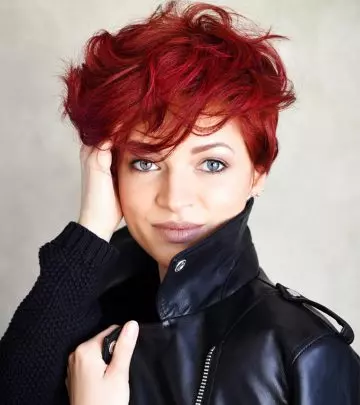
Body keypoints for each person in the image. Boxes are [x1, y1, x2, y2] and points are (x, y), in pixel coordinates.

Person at [1, 1, 359, 404]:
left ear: (258, 173)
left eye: (211, 163)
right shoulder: (76, 311)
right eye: (145, 162)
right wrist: (92, 229)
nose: (175, 199)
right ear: (110, 169)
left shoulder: (305, 354)